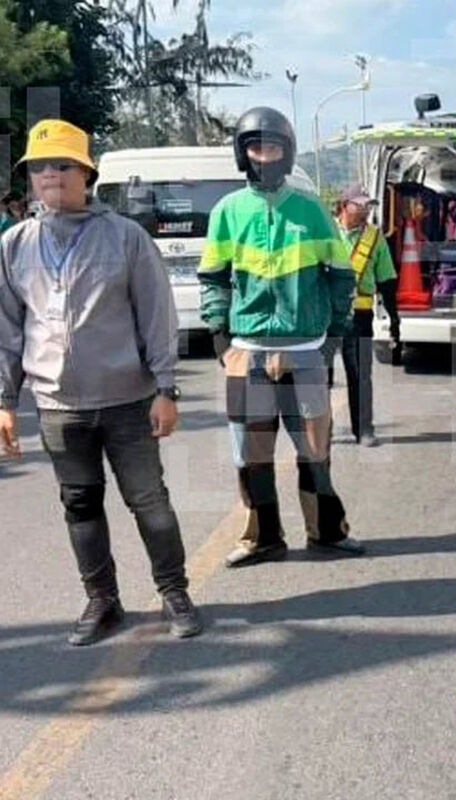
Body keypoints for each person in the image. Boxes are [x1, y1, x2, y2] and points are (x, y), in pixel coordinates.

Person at [0, 119, 201, 645]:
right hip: (58, 406)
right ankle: (102, 600)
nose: (50, 175)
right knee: (80, 504)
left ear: (86, 174)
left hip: (128, 401)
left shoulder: (125, 237)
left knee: (149, 501)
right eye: (39, 167)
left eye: (62, 165)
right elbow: (8, 329)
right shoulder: (15, 245)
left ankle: (174, 593)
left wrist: (166, 389)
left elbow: (157, 315)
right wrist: (5, 400)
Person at [199, 107, 363, 568]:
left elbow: (341, 276)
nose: (263, 156)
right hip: (247, 353)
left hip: (306, 352)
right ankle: (262, 538)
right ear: (242, 153)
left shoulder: (311, 211)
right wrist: (219, 334)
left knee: (315, 451)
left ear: (287, 153)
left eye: (272, 147)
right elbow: (214, 278)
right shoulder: (228, 212)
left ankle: (326, 532)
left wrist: (333, 335)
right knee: (250, 455)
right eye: (254, 147)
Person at [334, 184, 398, 448]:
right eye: (358, 205)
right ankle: (320, 428)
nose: (364, 211)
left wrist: (394, 319)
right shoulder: (325, 233)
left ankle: (364, 429)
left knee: (360, 375)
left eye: (367, 206)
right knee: (320, 376)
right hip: (326, 315)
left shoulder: (375, 237)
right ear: (343, 205)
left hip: (360, 317)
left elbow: (386, 281)